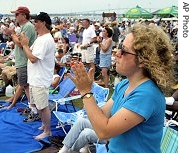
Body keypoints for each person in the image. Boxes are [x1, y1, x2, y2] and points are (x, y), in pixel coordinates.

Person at [66, 23, 175, 153]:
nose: (117, 53)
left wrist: (85, 92)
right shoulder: (124, 84)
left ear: (142, 61)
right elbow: (101, 116)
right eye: (119, 48)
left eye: (123, 50)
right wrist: (87, 89)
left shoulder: (147, 94)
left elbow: (104, 132)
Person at [20, 12, 55, 140]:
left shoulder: (45, 40)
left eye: (36, 22)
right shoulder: (41, 38)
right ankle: (44, 125)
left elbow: (33, 58)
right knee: (37, 105)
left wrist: (24, 45)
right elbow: (31, 54)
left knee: (43, 107)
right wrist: (25, 44)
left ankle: (47, 130)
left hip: (40, 79)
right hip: (35, 77)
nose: (34, 24)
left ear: (43, 23)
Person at [4, 6, 37, 115]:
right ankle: (33, 108)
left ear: (24, 15)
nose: (15, 17)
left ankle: (34, 109)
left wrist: (12, 34)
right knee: (25, 85)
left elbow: (20, 43)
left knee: (26, 85)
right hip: (22, 60)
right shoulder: (25, 26)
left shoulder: (27, 27)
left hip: (24, 61)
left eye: (17, 14)